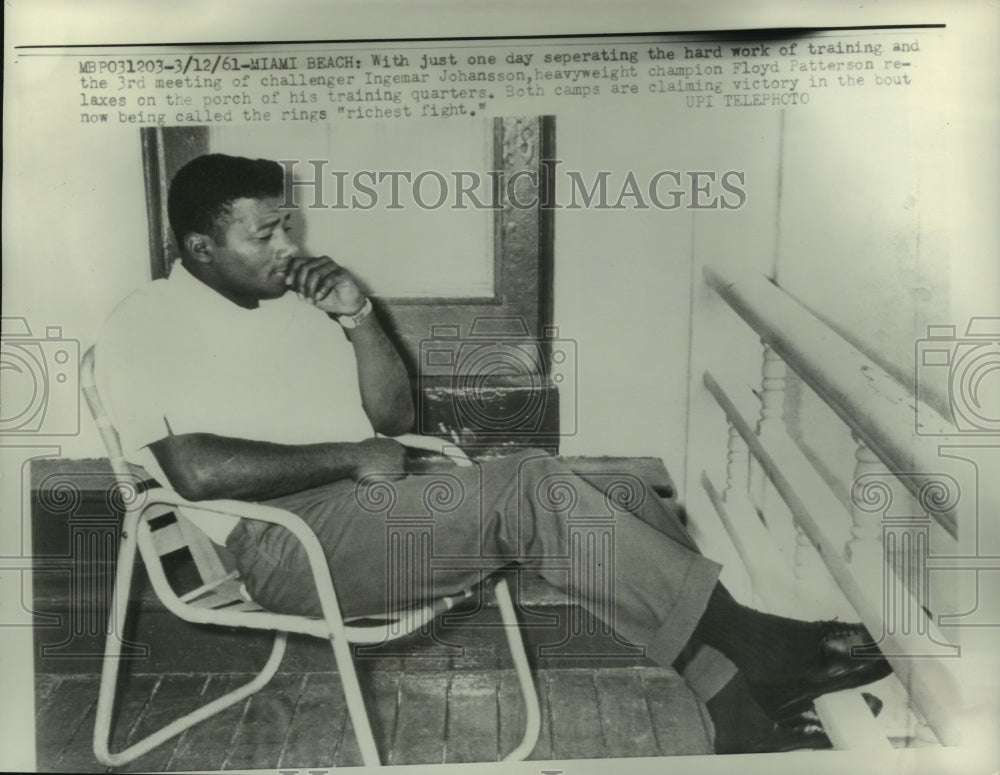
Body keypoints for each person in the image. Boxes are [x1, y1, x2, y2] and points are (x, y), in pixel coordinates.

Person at [96, 153, 892, 755]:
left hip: (363, 513)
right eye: (263, 231)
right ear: (201, 245)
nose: (287, 244)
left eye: (288, 224)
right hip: (278, 545)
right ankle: (759, 644)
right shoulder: (149, 319)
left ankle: (740, 711)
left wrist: (356, 315)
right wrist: (350, 456)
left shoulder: (293, 309)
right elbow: (193, 470)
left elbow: (392, 415)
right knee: (534, 484)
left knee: (620, 496)